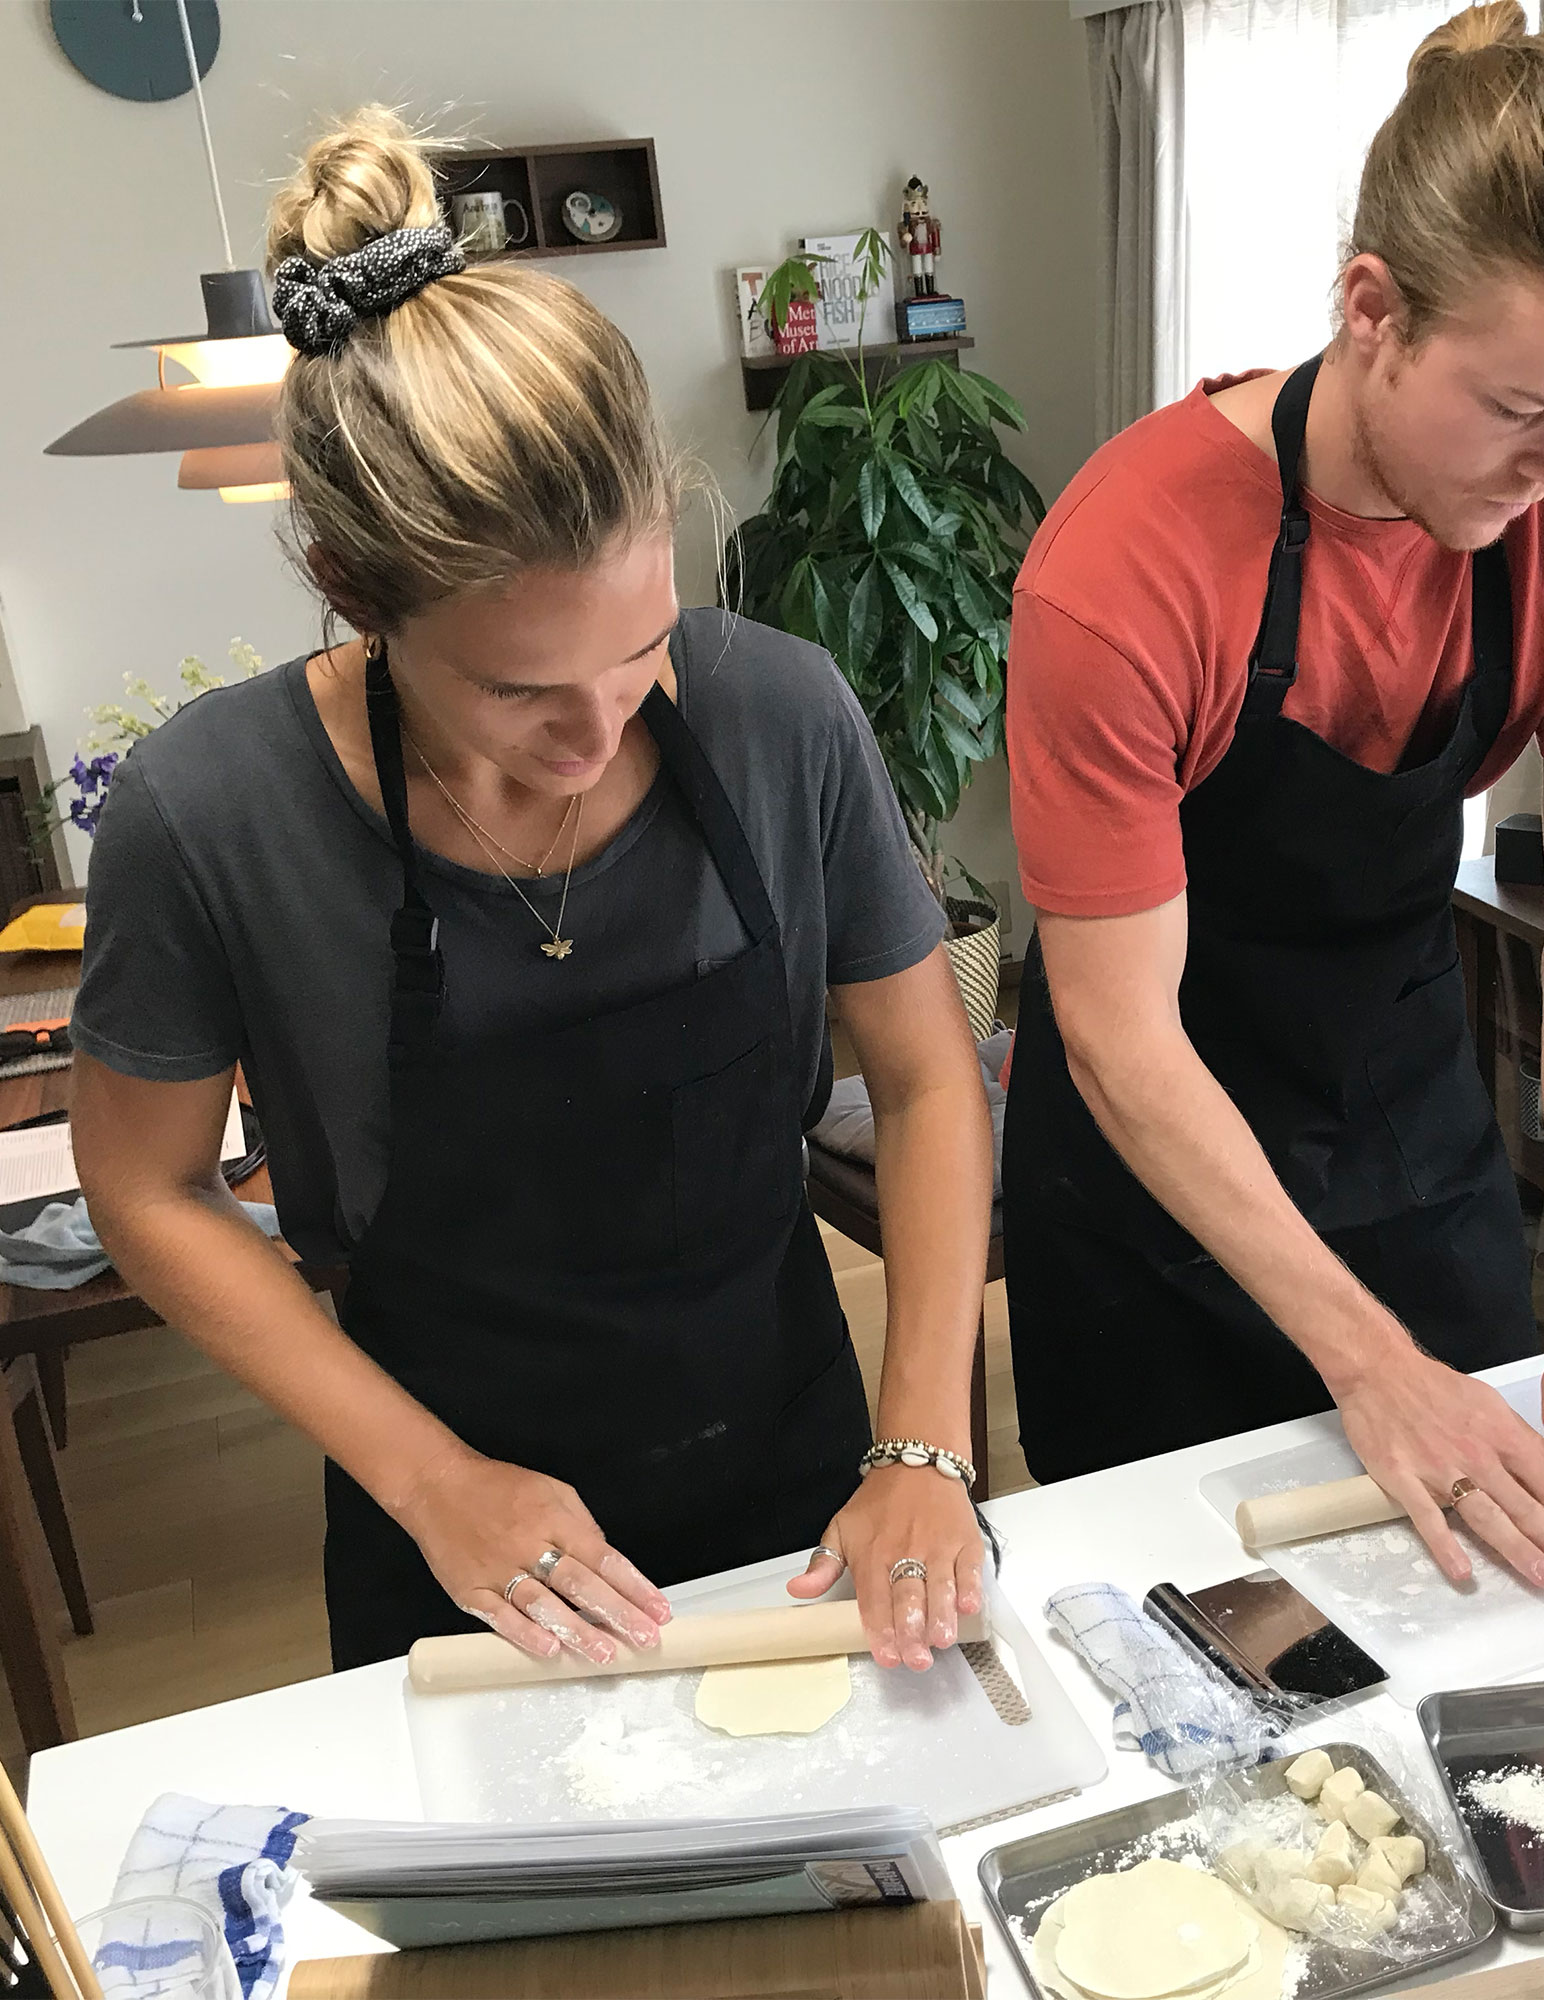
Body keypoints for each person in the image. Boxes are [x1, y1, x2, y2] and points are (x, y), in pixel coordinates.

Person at [70, 108, 994, 1675]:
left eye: (643, 652)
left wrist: (925, 1446)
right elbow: (147, 1190)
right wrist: (432, 1483)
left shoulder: (780, 712)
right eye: (517, 693)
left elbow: (920, 1078)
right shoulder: (207, 813)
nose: (601, 730)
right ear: (352, 595)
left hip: (804, 1478)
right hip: (460, 1530)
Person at [1003, 3, 1544, 1591]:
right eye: (1518, 410)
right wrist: (1366, 1364)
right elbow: (1118, 1030)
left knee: (1498, 1603)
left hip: (1408, 1118)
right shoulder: (1127, 568)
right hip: (1157, 1175)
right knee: (1207, 1661)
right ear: (1372, 310)